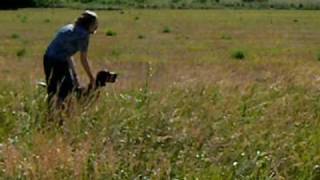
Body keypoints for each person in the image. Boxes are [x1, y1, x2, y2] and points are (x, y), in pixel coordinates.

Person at [43, 10, 98, 110]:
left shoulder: (68, 27)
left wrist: (74, 75)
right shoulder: (84, 35)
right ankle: (64, 115)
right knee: (67, 91)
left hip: (47, 59)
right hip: (59, 61)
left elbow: (67, 54)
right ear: (90, 24)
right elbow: (83, 59)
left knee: (52, 89)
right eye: (95, 23)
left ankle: (50, 114)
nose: (96, 26)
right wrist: (91, 78)